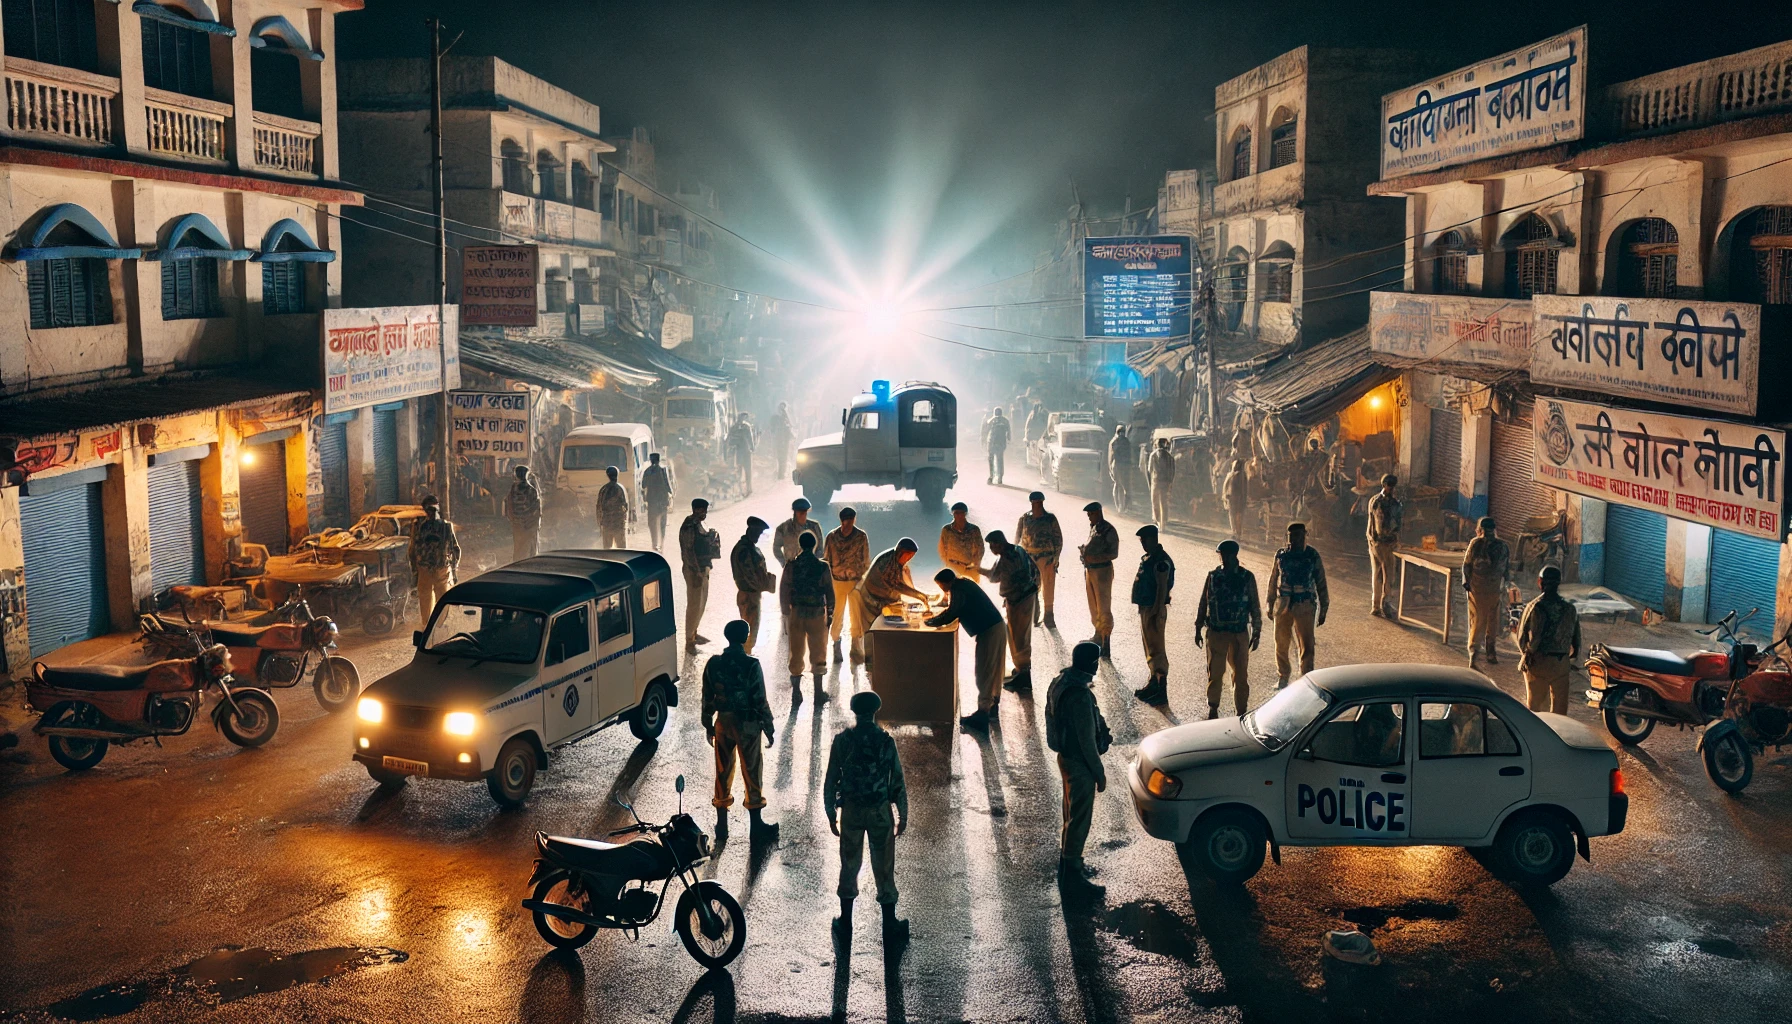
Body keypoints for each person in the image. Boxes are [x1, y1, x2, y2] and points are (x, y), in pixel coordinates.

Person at [825, 691, 908, 943]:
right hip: (879, 810)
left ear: (854, 711)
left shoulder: (842, 741)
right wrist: (902, 814)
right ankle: (890, 923)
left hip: (851, 811)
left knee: (850, 863)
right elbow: (897, 781)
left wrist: (831, 812)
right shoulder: (885, 741)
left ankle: (845, 922)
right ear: (875, 711)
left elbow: (831, 780)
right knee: (883, 865)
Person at [702, 619, 778, 844]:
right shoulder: (751, 665)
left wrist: (708, 723)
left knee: (723, 771)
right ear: (745, 637)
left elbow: (707, 696)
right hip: (747, 724)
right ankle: (756, 826)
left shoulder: (714, 663)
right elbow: (759, 698)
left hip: (723, 722)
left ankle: (722, 824)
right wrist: (769, 726)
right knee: (752, 771)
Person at [1045, 641, 1108, 886]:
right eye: (1096, 662)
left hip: (1065, 757)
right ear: (1091, 664)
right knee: (1079, 819)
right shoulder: (1081, 696)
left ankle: (1068, 864)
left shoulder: (1060, 681)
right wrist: (1099, 773)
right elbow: (1087, 742)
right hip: (1080, 763)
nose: (1097, 666)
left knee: (1070, 814)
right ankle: (1073, 875)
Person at [927, 568, 1008, 732]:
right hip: (996, 627)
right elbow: (954, 607)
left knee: (984, 671)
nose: (942, 590)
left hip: (990, 631)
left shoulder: (958, 589)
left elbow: (952, 612)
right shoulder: (963, 584)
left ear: (946, 582)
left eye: (941, 586)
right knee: (994, 670)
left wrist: (930, 621)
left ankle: (982, 714)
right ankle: (992, 708)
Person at [1194, 540, 1262, 719]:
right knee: (1215, 673)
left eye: (1226, 554)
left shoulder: (1247, 577)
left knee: (1240, 675)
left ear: (1234, 555)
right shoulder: (1213, 576)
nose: (1223, 558)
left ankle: (1241, 712)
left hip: (1238, 633)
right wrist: (1198, 626)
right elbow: (1204, 602)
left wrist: (1257, 631)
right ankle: (1213, 708)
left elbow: (1254, 605)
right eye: (1221, 554)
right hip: (1216, 632)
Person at [1266, 521, 1329, 687]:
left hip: (1305, 604)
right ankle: (1283, 676)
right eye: (1293, 536)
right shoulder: (1281, 555)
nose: (1296, 539)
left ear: (1305, 536)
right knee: (1281, 643)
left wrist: (1324, 607)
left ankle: (1306, 680)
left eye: (1300, 536)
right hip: (1283, 604)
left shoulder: (1312, 556)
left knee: (1307, 645)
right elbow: (1273, 580)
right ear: (1288, 537)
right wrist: (1269, 603)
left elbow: (1321, 582)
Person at [779, 531, 835, 705]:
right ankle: (818, 694)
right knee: (818, 652)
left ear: (800, 545)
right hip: (817, 613)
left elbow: (784, 589)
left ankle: (796, 692)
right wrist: (830, 612)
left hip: (797, 612)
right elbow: (829, 591)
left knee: (796, 651)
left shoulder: (791, 566)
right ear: (815, 545)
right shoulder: (822, 566)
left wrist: (786, 613)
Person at [853, 538, 931, 659]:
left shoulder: (896, 562)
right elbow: (896, 586)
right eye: (908, 555)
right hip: (870, 600)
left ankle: (886, 656)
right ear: (901, 552)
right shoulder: (886, 563)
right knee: (872, 632)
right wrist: (919, 595)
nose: (909, 559)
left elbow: (899, 584)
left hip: (883, 600)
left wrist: (920, 595)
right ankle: (871, 662)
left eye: (911, 556)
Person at [1518, 564, 1580, 715]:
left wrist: (1526, 654)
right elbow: (1576, 640)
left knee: (1535, 710)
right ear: (1559, 583)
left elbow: (1521, 638)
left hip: (1538, 662)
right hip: (1561, 663)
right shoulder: (1570, 608)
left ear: (1540, 582)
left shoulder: (1534, 606)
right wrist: (1570, 657)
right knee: (1560, 712)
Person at [984, 530, 1039, 694]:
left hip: (1018, 601)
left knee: (1018, 637)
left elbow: (994, 577)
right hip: (1026, 597)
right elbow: (1035, 570)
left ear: (999, 544)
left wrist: (977, 569)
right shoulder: (1018, 550)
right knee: (1021, 635)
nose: (991, 549)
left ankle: (1024, 675)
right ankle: (1021, 669)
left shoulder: (1007, 558)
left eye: (992, 546)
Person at [1130, 525, 1176, 704]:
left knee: (1157, 650)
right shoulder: (1150, 557)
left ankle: (1161, 689)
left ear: (1153, 539)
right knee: (1150, 648)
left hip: (1154, 609)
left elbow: (1162, 588)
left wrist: (1155, 613)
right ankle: (1153, 683)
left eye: (1144, 540)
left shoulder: (1161, 561)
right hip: (1147, 607)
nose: (1142, 544)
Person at [1464, 516, 1512, 669]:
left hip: (1479, 589)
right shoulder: (1502, 546)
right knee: (1491, 620)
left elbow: (1467, 565)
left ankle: (1475, 653)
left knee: (1479, 620)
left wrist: (1466, 582)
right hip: (1491, 589)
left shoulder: (1476, 543)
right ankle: (1488, 653)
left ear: (1480, 530)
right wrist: (1506, 584)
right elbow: (1506, 569)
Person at [824, 507, 871, 663]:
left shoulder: (860, 537)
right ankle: (838, 646)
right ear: (842, 520)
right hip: (839, 582)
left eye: (851, 520)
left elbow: (866, 561)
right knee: (838, 616)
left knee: (854, 617)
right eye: (848, 520)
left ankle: (854, 650)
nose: (849, 524)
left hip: (852, 582)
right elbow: (826, 560)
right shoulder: (832, 537)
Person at [409, 495, 460, 626]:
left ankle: (429, 626)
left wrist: (415, 571)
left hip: (427, 568)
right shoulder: (446, 526)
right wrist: (454, 571)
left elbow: (412, 550)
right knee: (441, 600)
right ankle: (438, 625)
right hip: (440, 568)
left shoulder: (418, 526)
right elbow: (456, 550)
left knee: (427, 601)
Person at [678, 498, 721, 651]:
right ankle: (689, 640)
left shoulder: (698, 525)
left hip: (703, 569)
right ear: (696, 509)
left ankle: (694, 632)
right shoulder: (689, 526)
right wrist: (696, 572)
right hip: (694, 571)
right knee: (694, 605)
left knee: (701, 603)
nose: (705, 514)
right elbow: (688, 552)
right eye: (703, 510)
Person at [1016, 492, 1063, 629]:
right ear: (1031, 503)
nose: (1038, 505)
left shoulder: (1050, 519)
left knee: (1048, 586)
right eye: (1035, 503)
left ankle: (1049, 615)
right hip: (1029, 557)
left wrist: (1055, 558)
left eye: (1040, 502)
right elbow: (1018, 538)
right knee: (1030, 587)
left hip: (1046, 557)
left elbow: (1058, 539)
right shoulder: (1025, 518)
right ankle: (1033, 615)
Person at [1079, 501, 1120, 658]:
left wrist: (1094, 558)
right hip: (1091, 570)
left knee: (1103, 607)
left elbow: (1114, 553)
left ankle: (1106, 641)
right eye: (1088, 514)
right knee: (1094, 606)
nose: (1089, 517)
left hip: (1102, 571)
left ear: (1099, 512)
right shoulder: (1094, 528)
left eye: (1091, 514)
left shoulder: (1108, 530)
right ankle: (1098, 634)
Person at [731, 517, 777, 655]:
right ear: (750, 530)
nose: (758, 536)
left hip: (750, 594)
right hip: (749, 594)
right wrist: (766, 584)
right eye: (757, 532)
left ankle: (747, 652)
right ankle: (746, 655)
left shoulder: (748, 547)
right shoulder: (745, 550)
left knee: (751, 627)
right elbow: (750, 576)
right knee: (750, 628)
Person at [1367, 473, 1403, 617]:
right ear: (1384, 485)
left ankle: (1377, 605)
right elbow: (1380, 526)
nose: (1391, 489)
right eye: (1389, 486)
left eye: (1393, 486)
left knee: (1378, 574)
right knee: (1387, 575)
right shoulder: (1382, 502)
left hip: (1375, 542)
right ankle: (1383, 604)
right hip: (1382, 543)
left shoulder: (1375, 500)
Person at [772, 496, 825, 569]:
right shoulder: (783, 528)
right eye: (800, 512)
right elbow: (776, 548)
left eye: (805, 512)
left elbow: (820, 548)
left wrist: (814, 562)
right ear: (795, 512)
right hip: (792, 568)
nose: (803, 515)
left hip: (811, 568)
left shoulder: (814, 527)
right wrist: (784, 563)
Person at [938, 501, 985, 582]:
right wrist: (948, 563)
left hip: (971, 568)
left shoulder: (974, 530)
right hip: (953, 567)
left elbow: (980, 548)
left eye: (961, 513)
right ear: (953, 514)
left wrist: (975, 563)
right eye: (956, 513)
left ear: (965, 514)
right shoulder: (947, 530)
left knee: (973, 588)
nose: (959, 515)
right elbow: (942, 548)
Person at [503, 465, 542, 562]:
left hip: (517, 524)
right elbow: (537, 509)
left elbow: (508, 507)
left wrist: (514, 520)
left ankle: (518, 565)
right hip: (530, 525)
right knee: (531, 549)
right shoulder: (532, 490)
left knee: (518, 548)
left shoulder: (512, 490)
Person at [639, 453, 674, 552]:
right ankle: (662, 544)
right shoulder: (663, 470)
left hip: (652, 501)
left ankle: (654, 544)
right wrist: (671, 495)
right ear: (659, 460)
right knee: (662, 523)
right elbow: (668, 485)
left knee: (652, 523)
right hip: (662, 501)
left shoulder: (647, 471)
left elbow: (643, 485)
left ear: (651, 460)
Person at [595, 466, 632, 549]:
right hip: (619, 524)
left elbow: (599, 507)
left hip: (607, 524)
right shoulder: (620, 488)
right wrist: (627, 522)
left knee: (607, 549)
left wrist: (600, 523)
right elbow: (625, 507)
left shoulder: (604, 489)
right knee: (621, 549)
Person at [1148, 437, 1176, 526]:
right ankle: (1164, 521)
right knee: (1164, 502)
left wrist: (1151, 482)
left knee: (1155, 501)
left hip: (1155, 481)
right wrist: (1170, 481)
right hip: (1166, 482)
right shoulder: (1170, 456)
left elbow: (1149, 470)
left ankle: (1157, 520)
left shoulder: (1153, 455)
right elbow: (1172, 470)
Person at [726, 413, 756, 494]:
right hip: (739, 451)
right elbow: (729, 439)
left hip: (745, 451)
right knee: (739, 470)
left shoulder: (745, 427)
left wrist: (752, 447)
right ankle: (740, 489)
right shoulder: (735, 427)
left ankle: (748, 488)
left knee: (747, 470)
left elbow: (750, 438)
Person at [1108, 425, 1135, 513]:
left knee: (1125, 486)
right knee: (1119, 485)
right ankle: (1120, 506)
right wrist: (1111, 468)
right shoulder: (1115, 442)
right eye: (1121, 431)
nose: (1122, 433)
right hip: (1118, 465)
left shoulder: (1124, 441)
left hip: (1124, 465)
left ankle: (1124, 506)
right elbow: (1112, 456)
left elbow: (1129, 454)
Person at [1224, 458, 1249, 543]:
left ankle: (1238, 534)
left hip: (1238, 499)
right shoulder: (1230, 475)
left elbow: (1244, 489)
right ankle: (1235, 532)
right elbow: (1226, 487)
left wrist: (1243, 498)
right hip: (1232, 499)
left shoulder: (1242, 476)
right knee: (1233, 516)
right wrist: (1225, 495)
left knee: (1238, 516)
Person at [984, 406, 1012, 485]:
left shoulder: (991, 420)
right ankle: (999, 477)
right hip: (1000, 443)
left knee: (991, 460)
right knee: (999, 460)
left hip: (992, 442)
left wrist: (984, 441)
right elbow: (1009, 431)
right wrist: (1009, 439)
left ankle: (992, 476)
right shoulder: (1005, 420)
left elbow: (986, 431)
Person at [770, 401, 796, 479]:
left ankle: (781, 474)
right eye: (781, 407)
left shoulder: (787, 417)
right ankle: (778, 472)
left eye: (784, 407)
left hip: (785, 441)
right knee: (778, 457)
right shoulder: (775, 418)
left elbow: (791, 427)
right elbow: (772, 429)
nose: (782, 409)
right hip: (778, 440)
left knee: (784, 457)